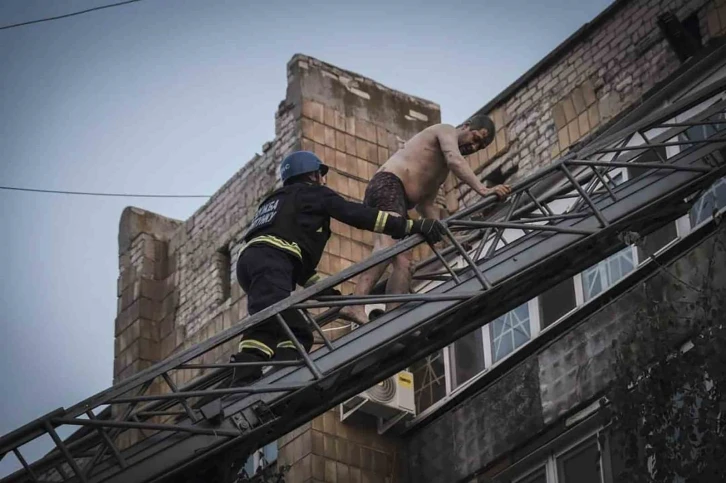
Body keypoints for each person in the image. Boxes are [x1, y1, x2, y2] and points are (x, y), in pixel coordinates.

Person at [229, 150, 446, 386]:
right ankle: (279, 382)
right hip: (272, 261)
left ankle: (243, 379)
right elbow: (358, 215)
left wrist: (333, 297)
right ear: (313, 175)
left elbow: (302, 272)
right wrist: (411, 226)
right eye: (321, 175)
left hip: (251, 264)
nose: (324, 180)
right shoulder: (314, 193)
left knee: (266, 325)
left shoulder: (278, 203)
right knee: (298, 331)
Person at [340, 114, 512, 325]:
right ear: (466, 126)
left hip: (400, 200)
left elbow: (425, 205)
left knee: (405, 262)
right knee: (387, 247)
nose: (475, 147)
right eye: (476, 138)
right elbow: (454, 159)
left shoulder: (440, 171)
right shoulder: (445, 130)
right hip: (388, 185)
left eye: (481, 146)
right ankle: (355, 305)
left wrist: (451, 239)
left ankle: (392, 318)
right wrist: (484, 190)